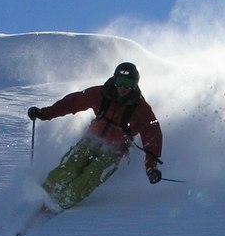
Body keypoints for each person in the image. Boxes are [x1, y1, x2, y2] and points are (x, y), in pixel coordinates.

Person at [27, 61, 163, 212]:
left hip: (113, 153)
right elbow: (72, 102)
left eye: (128, 83)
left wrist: (151, 168)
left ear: (135, 84)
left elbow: (153, 137)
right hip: (90, 141)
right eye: (120, 81)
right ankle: (41, 196)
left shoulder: (141, 109)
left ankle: (62, 202)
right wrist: (44, 113)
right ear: (114, 79)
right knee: (68, 168)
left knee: (90, 177)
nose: (122, 87)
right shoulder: (101, 94)